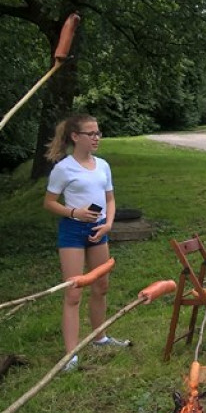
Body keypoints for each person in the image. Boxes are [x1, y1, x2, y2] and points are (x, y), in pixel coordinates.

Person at [43, 114, 126, 373]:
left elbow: (110, 199)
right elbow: (49, 202)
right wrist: (74, 212)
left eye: (98, 133)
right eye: (91, 133)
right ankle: (71, 354)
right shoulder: (63, 168)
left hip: (99, 229)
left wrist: (108, 223)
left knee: (101, 286)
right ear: (75, 137)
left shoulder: (103, 166)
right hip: (72, 231)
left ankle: (100, 337)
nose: (96, 138)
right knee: (74, 291)